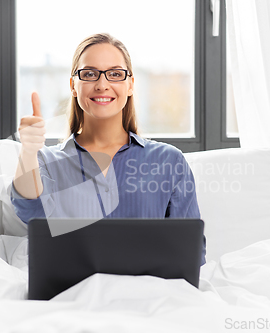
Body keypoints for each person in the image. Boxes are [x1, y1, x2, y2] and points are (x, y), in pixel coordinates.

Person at [11, 33, 205, 264]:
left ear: (130, 84)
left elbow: (190, 252)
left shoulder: (169, 160)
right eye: (90, 74)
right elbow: (29, 213)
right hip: (75, 293)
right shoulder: (47, 161)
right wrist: (28, 152)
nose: (102, 85)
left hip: (148, 291)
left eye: (115, 74)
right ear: (73, 85)